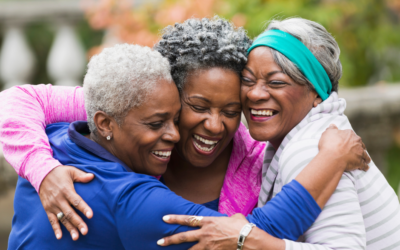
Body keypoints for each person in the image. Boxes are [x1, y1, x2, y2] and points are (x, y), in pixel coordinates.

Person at [0, 17, 368, 243]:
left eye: (231, 110)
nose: (214, 124)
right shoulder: (128, 113)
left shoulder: (261, 153)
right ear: (169, 93)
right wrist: (42, 170)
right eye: (197, 106)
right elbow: (16, 100)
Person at [157, 18, 400, 250]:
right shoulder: (317, 141)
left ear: (317, 92)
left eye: (276, 83)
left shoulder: (311, 149)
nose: (254, 94)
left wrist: (245, 241)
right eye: (248, 80)